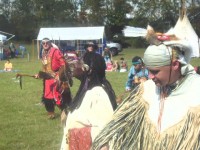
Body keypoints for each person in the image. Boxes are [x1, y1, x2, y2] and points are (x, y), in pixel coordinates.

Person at [92, 33, 200, 149]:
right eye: (148, 71)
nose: (150, 76)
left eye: (155, 71)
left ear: (175, 65)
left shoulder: (196, 90)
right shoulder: (146, 90)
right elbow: (119, 122)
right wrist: (106, 143)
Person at [60, 42, 117, 150]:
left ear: (88, 70)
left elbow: (104, 132)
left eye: (78, 64)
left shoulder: (97, 94)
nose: (74, 68)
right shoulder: (87, 89)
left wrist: (73, 131)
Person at [35, 38, 72, 119]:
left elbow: (63, 63)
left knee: (58, 97)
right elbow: (45, 68)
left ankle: (65, 111)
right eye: (43, 43)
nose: (45, 44)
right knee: (47, 97)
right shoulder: (44, 53)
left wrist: (59, 75)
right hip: (47, 79)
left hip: (56, 79)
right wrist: (39, 75)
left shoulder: (55, 51)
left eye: (47, 43)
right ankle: (51, 113)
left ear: (50, 43)